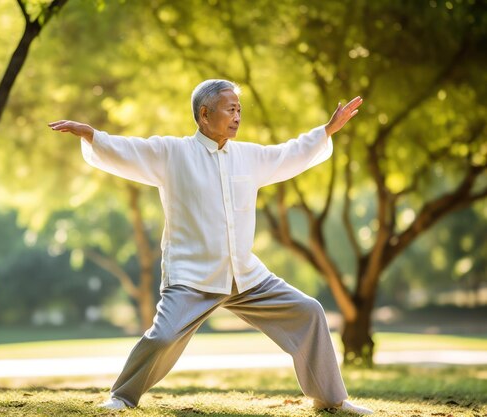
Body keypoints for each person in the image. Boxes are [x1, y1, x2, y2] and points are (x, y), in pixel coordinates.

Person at [48, 79, 372, 415]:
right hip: (192, 278)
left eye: (239, 110)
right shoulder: (172, 153)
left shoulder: (248, 156)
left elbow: (288, 153)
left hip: (245, 276)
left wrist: (327, 130)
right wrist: (92, 135)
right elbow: (130, 149)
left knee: (309, 311)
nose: (237, 117)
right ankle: (123, 396)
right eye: (231, 109)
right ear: (205, 114)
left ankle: (330, 399)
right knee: (162, 338)